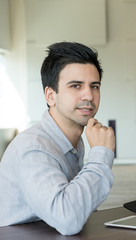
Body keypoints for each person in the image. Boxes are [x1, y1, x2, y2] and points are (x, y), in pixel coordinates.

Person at [0, 42, 115, 235]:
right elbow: (67, 219)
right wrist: (101, 156)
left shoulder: (74, 141)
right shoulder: (33, 148)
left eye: (94, 86)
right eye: (76, 86)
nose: (89, 95)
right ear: (50, 96)